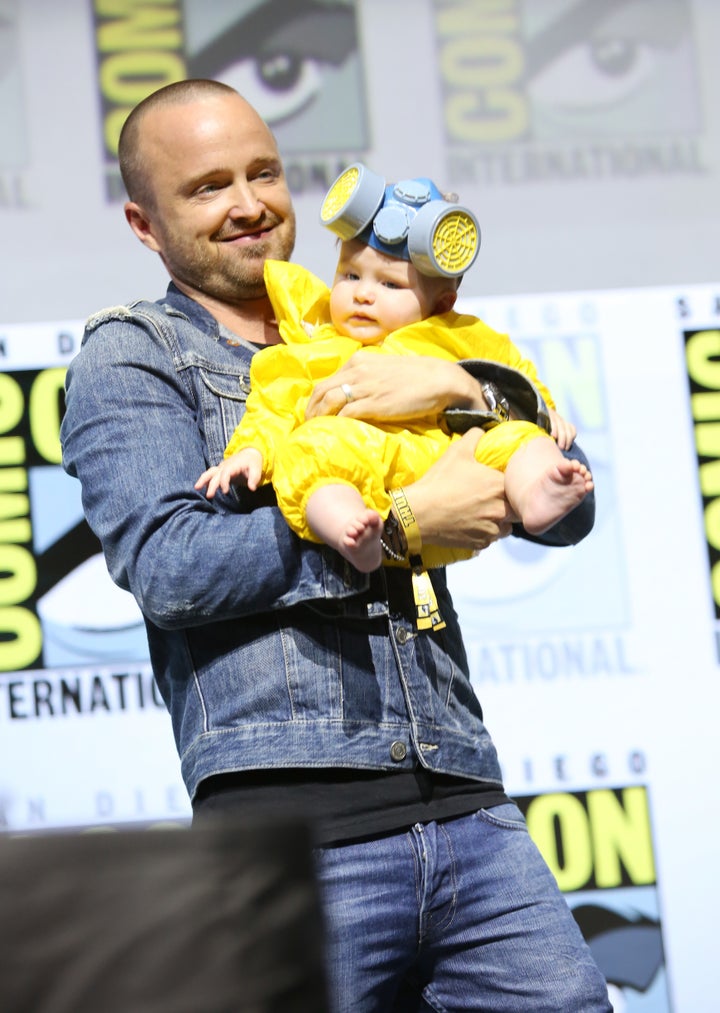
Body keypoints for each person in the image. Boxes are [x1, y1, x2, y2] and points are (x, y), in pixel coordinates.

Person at [60, 79, 610, 1011]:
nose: (248, 203)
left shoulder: (379, 319)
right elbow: (169, 566)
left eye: (263, 171)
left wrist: (459, 388)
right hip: (294, 840)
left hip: (469, 804)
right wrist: (395, 534)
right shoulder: (132, 353)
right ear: (145, 224)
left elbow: (571, 512)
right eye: (207, 187)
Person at [195, 164, 592, 585]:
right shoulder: (315, 345)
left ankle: (536, 494)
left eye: (390, 285)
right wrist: (253, 450)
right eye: (350, 276)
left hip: (453, 478)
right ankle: (353, 531)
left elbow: (514, 369)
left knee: (519, 439)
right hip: (371, 473)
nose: (363, 293)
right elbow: (275, 402)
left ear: (442, 304)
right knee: (310, 449)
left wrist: (546, 410)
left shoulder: (456, 334)